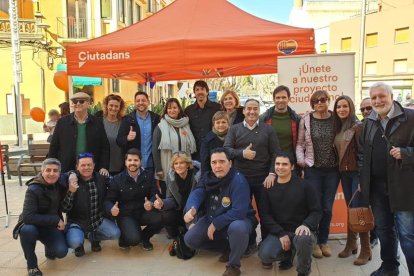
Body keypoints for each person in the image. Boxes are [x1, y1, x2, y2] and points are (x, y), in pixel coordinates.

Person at [358, 82, 414, 276]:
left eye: (382, 96)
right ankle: (390, 267)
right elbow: (363, 154)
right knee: (383, 230)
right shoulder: (369, 122)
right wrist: (363, 180)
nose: (378, 100)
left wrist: (406, 154)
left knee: (407, 234)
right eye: (373, 97)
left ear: (392, 96)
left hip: (404, 187)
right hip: (376, 187)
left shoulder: (410, 117)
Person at [184, 148, 256, 276]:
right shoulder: (207, 177)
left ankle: (234, 266)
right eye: (214, 162)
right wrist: (192, 208)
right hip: (213, 217)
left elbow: (239, 211)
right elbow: (198, 192)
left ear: (230, 163)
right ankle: (228, 248)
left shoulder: (238, 180)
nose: (218, 166)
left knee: (238, 228)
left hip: (238, 219)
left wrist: (216, 223)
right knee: (190, 239)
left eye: (222, 162)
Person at [224, 98, 280, 246]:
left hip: (264, 179)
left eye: (255, 109)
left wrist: (272, 174)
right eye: (249, 108)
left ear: (259, 111)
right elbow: (226, 150)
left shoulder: (268, 129)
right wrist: (242, 153)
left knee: (265, 213)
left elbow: (275, 153)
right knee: (244, 213)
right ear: (243, 111)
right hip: (240, 180)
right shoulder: (234, 129)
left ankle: (266, 243)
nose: (252, 112)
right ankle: (249, 243)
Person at [258, 152, 321, 276]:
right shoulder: (267, 187)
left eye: (284, 164)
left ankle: (303, 271)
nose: (280, 167)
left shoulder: (305, 186)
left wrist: (306, 225)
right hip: (280, 232)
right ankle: (288, 254)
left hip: (301, 230)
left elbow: (316, 211)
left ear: (292, 167)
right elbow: (265, 215)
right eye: (277, 164)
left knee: (304, 239)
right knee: (265, 255)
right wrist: (280, 233)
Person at [296, 90, 340, 259]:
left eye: (323, 100)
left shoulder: (336, 118)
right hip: (313, 169)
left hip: (332, 171)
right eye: (316, 101)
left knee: (327, 208)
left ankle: (323, 241)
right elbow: (300, 144)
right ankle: (313, 242)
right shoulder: (306, 120)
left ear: (328, 101)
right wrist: (302, 161)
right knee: (314, 206)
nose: (320, 103)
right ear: (312, 103)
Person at [333, 96, 371, 265]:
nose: (341, 109)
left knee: (358, 210)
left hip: (356, 173)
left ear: (351, 108)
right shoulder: (339, 127)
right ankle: (351, 244)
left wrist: (363, 178)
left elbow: (363, 155)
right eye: (338, 106)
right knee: (350, 209)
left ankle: (366, 249)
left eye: (345, 106)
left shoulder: (358, 126)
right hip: (344, 174)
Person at [105, 148, 167, 250]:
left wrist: (151, 202)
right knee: (133, 240)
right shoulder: (117, 179)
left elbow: (155, 193)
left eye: (135, 160)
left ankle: (145, 237)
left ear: (140, 161)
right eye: (129, 160)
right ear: (125, 162)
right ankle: (125, 236)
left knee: (163, 216)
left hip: (143, 211)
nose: (132, 163)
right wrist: (111, 209)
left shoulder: (149, 175)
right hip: (126, 214)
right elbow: (108, 200)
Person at [61, 153, 121, 257]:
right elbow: (65, 209)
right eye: (83, 165)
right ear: (77, 167)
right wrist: (71, 191)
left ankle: (92, 237)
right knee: (74, 242)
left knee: (115, 233)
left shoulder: (101, 178)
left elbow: (118, 181)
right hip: (77, 223)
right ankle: (79, 243)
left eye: (89, 165)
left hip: (97, 220)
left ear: (94, 165)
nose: (86, 168)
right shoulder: (71, 180)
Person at [16, 158, 68, 276]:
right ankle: (32, 265)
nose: (51, 173)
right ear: (42, 171)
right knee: (28, 230)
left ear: (59, 173)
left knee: (61, 252)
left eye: (55, 171)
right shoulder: (33, 189)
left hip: (49, 226)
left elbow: (70, 173)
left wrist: (72, 175)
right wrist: (55, 219)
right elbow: (28, 217)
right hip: (32, 224)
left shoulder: (59, 182)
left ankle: (49, 250)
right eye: (48, 170)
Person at [49, 92, 110, 174]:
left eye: (81, 101)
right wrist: (52, 166)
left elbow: (105, 147)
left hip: (90, 168)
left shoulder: (97, 122)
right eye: (74, 101)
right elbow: (54, 146)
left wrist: (103, 167)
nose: (77, 103)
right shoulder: (62, 122)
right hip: (67, 168)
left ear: (88, 103)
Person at [152, 98, 196, 195]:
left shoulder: (186, 125)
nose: (172, 110)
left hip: (184, 168)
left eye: (175, 108)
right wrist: (158, 168)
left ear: (179, 109)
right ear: (166, 110)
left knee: (184, 195)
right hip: (166, 167)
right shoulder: (160, 126)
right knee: (168, 195)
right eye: (169, 108)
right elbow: (155, 149)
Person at [153, 152, 201, 238]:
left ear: (188, 164)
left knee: (191, 237)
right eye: (176, 163)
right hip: (179, 209)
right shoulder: (171, 177)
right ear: (173, 166)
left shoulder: (197, 176)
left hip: (194, 210)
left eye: (182, 162)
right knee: (166, 215)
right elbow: (171, 199)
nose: (178, 165)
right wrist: (163, 203)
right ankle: (176, 236)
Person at [117, 91, 160, 173]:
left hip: (151, 165)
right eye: (138, 101)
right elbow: (119, 141)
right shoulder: (127, 119)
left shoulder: (156, 118)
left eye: (143, 100)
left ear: (148, 102)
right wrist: (127, 138)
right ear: (135, 103)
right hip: (133, 165)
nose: (140, 103)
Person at [261, 85, 301, 164]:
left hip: (289, 162)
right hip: (269, 162)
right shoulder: (264, 119)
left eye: (283, 97)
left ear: (289, 99)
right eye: (278, 97)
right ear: (273, 99)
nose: (280, 100)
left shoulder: (296, 119)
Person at [185, 80, 221, 160]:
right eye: (197, 90)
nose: (200, 92)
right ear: (194, 93)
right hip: (195, 152)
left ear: (207, 92)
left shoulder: (217, 108)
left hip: (213, 150)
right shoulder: (188, 110)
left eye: (202, 89)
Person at [359, 97, 379, 249]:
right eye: (363, 109)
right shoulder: (362, 125)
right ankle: (373, 237)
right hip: (367, 176)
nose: (365, 111)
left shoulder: (384, 124)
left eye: (368, 108)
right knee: (369, 208)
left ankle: (378, 238)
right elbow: (361, 153)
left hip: (387, 177)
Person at [102, 94, 126, 175]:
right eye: (111, 105)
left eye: (116, 106)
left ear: (120, 108)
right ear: (106, 106)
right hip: (102, 167)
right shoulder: (99, 121)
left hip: (120, 165)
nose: (113, 108)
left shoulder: (124, 123)